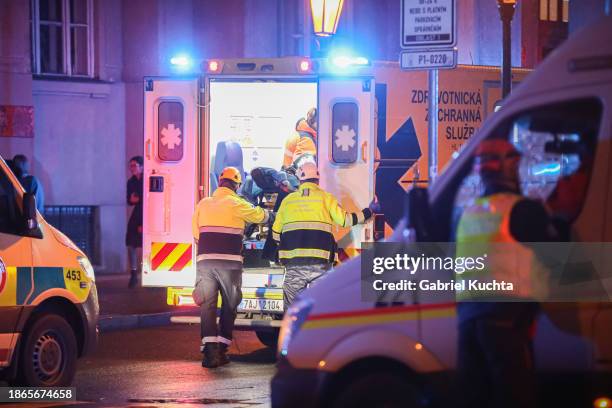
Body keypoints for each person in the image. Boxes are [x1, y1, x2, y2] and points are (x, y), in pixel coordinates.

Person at [454, 138, 554, 408]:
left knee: (476, 397)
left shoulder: (466, 214)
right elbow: (557, 260)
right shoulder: (522, 209)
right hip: (507, 322)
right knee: (515, 396)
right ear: (508, 167)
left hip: (469, 325)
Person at [192, 166, 270, 368]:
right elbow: (261, 217)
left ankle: (210, 354)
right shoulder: (237, 203)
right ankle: (222, 348)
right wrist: (273, 214)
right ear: (236, 185)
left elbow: (196, 234)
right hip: (229, 264)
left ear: (219, 182)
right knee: (230, 305)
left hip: (205, 263)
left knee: (207, 306)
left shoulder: (203, 204)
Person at [272, 161, 377, 308]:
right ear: (317, 180)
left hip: (294, 266)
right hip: (321, 266)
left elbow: (276, 233)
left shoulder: (288, 201)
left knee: (292, 312)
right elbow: (345, 220)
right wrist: (368, 211)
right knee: (321, 310)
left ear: (300, 180)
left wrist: (286, 246)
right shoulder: (327, 198)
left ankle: (296, 331)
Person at [126, 156, 144, 289]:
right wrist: (134, 199)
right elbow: (130, 200)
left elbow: (145, 200)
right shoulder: (131, 182)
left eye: (134, 165)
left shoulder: (146, 179)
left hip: (147, 214)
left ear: (141, 167)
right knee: (130, 242)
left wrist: (144, 224)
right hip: (137, 213)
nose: (132, 168)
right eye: (130, 166)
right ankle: (133, 273)